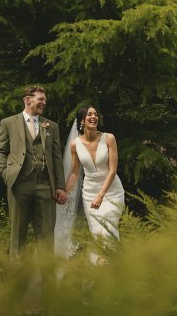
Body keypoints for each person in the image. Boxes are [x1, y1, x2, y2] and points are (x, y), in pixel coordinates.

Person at [0, 85, 67, 258]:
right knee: (17, 239)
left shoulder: (51, 126)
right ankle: (17, 282)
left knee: (47, 239)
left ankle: (47, 283)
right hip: (19, 185)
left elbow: (57, 158)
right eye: (40, 99)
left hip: (45, 186)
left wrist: (60, 186)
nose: (44, 103)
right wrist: (6, 174)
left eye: (45, 100)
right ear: (28, 100)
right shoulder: (8, 123)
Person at [64, 105, 125, 264]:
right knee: (97, 233)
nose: (93, 117)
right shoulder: (75, 144)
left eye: (95, 114)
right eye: (89, 115)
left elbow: (112, 170)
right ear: (82, 121)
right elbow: (75, 173)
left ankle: (111, 267)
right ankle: (98, 271)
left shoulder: (109, 138)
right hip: (89, 194)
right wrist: (64, 192)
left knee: (108, 230)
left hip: (112, 193)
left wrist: (101, 195)